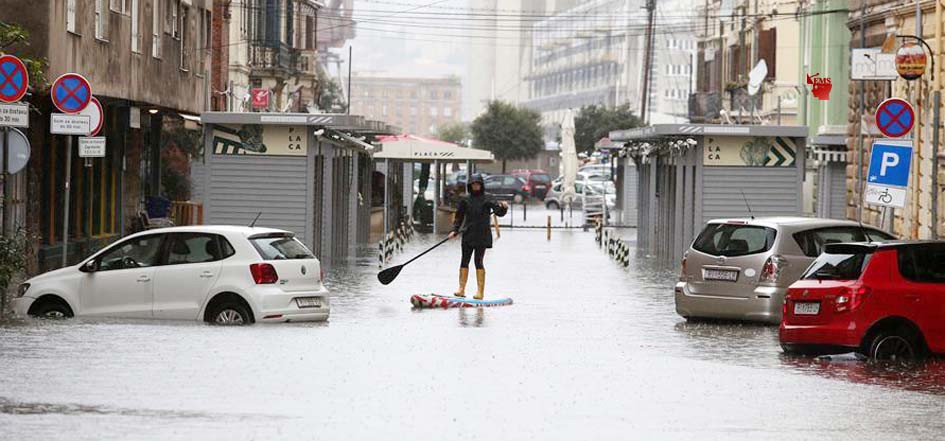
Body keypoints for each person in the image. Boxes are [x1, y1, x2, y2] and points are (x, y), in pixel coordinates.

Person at [448, 174, 508, 299]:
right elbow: (459, 217)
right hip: (468, 234)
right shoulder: (465, 200)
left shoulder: (488, 198)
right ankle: (461, 289)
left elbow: (499, 212)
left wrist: (504, 208)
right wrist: (455, 230)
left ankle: (480, 292)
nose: (475, 186)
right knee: (464, 260)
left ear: (481, 185)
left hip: (482, 236)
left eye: (478, 184)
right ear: (470, 186)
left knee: (478, 262)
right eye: (473, 184)